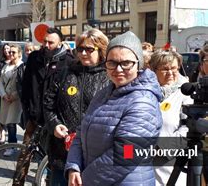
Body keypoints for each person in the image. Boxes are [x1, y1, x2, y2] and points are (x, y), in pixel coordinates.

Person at [65, 31, 163, 185]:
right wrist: (74, 166)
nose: (118, 69)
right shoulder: (105, 92)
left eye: (126, 63)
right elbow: (81, 131)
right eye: (112, 63)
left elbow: (127, 153)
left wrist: (85, 180)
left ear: (139, 64)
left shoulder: (143, 102)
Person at [42, 29, 110, 185]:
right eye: (80, 49)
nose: (84, 53)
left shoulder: (109, 76)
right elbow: (48, 103)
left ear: (101, 50)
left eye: (89, 49)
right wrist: (54, 124)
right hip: (62, 153)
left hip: (95, 157)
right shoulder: (65, 72)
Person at [15, 27, 74, 185]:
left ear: (60, 42)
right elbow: (26, 85)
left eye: (51, 42)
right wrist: (27, 108)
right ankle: (18, 182)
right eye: (45, 42)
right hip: (34, 116)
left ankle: (48, 181)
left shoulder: (68, 61)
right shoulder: (35, 57)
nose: (46, 45)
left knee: (52, 156)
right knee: (25, 152)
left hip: (55, 118)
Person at [150, 50, 193, 185]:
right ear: (153, 70)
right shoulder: (145, 93)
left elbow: (189, 128)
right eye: (165, 69)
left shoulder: (185, 94)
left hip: (171, 164)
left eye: (174, 68)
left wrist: (161, 149)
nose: (170, 73)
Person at [0, 44, 24, 156]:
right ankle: (11, 144)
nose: (11, 54)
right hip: (5, 99)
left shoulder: (22, 67)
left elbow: (23, 84)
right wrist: (3, 94)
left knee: (11, 122)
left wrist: (14, 95)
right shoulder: (6, 66)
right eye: (10, 52)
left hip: (15, 100)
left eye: (14, 52)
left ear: (19, 53)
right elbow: (0, 82)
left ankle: (12, 145)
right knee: (7, 122)